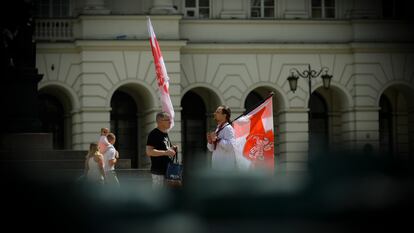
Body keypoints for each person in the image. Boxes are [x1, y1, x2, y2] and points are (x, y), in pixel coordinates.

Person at [146, 112, 177, 188]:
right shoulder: (154, 134)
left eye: (170, 120)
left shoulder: (165, 133)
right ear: (160, 121)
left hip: (169, 171)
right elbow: (149, 152)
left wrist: (172, 149)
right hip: (159, 172)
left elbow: (165, 149)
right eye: (168, 120)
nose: (170, 122)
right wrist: (166, 152)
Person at [207, 105, 236, 171]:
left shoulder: (228, 128)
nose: (215, 113)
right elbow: (211, 149)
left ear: (224, 115)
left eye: (218, 112)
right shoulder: (218, 128)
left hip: (225, 168)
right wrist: (210, 141)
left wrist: (217, 139)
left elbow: (231, 146)